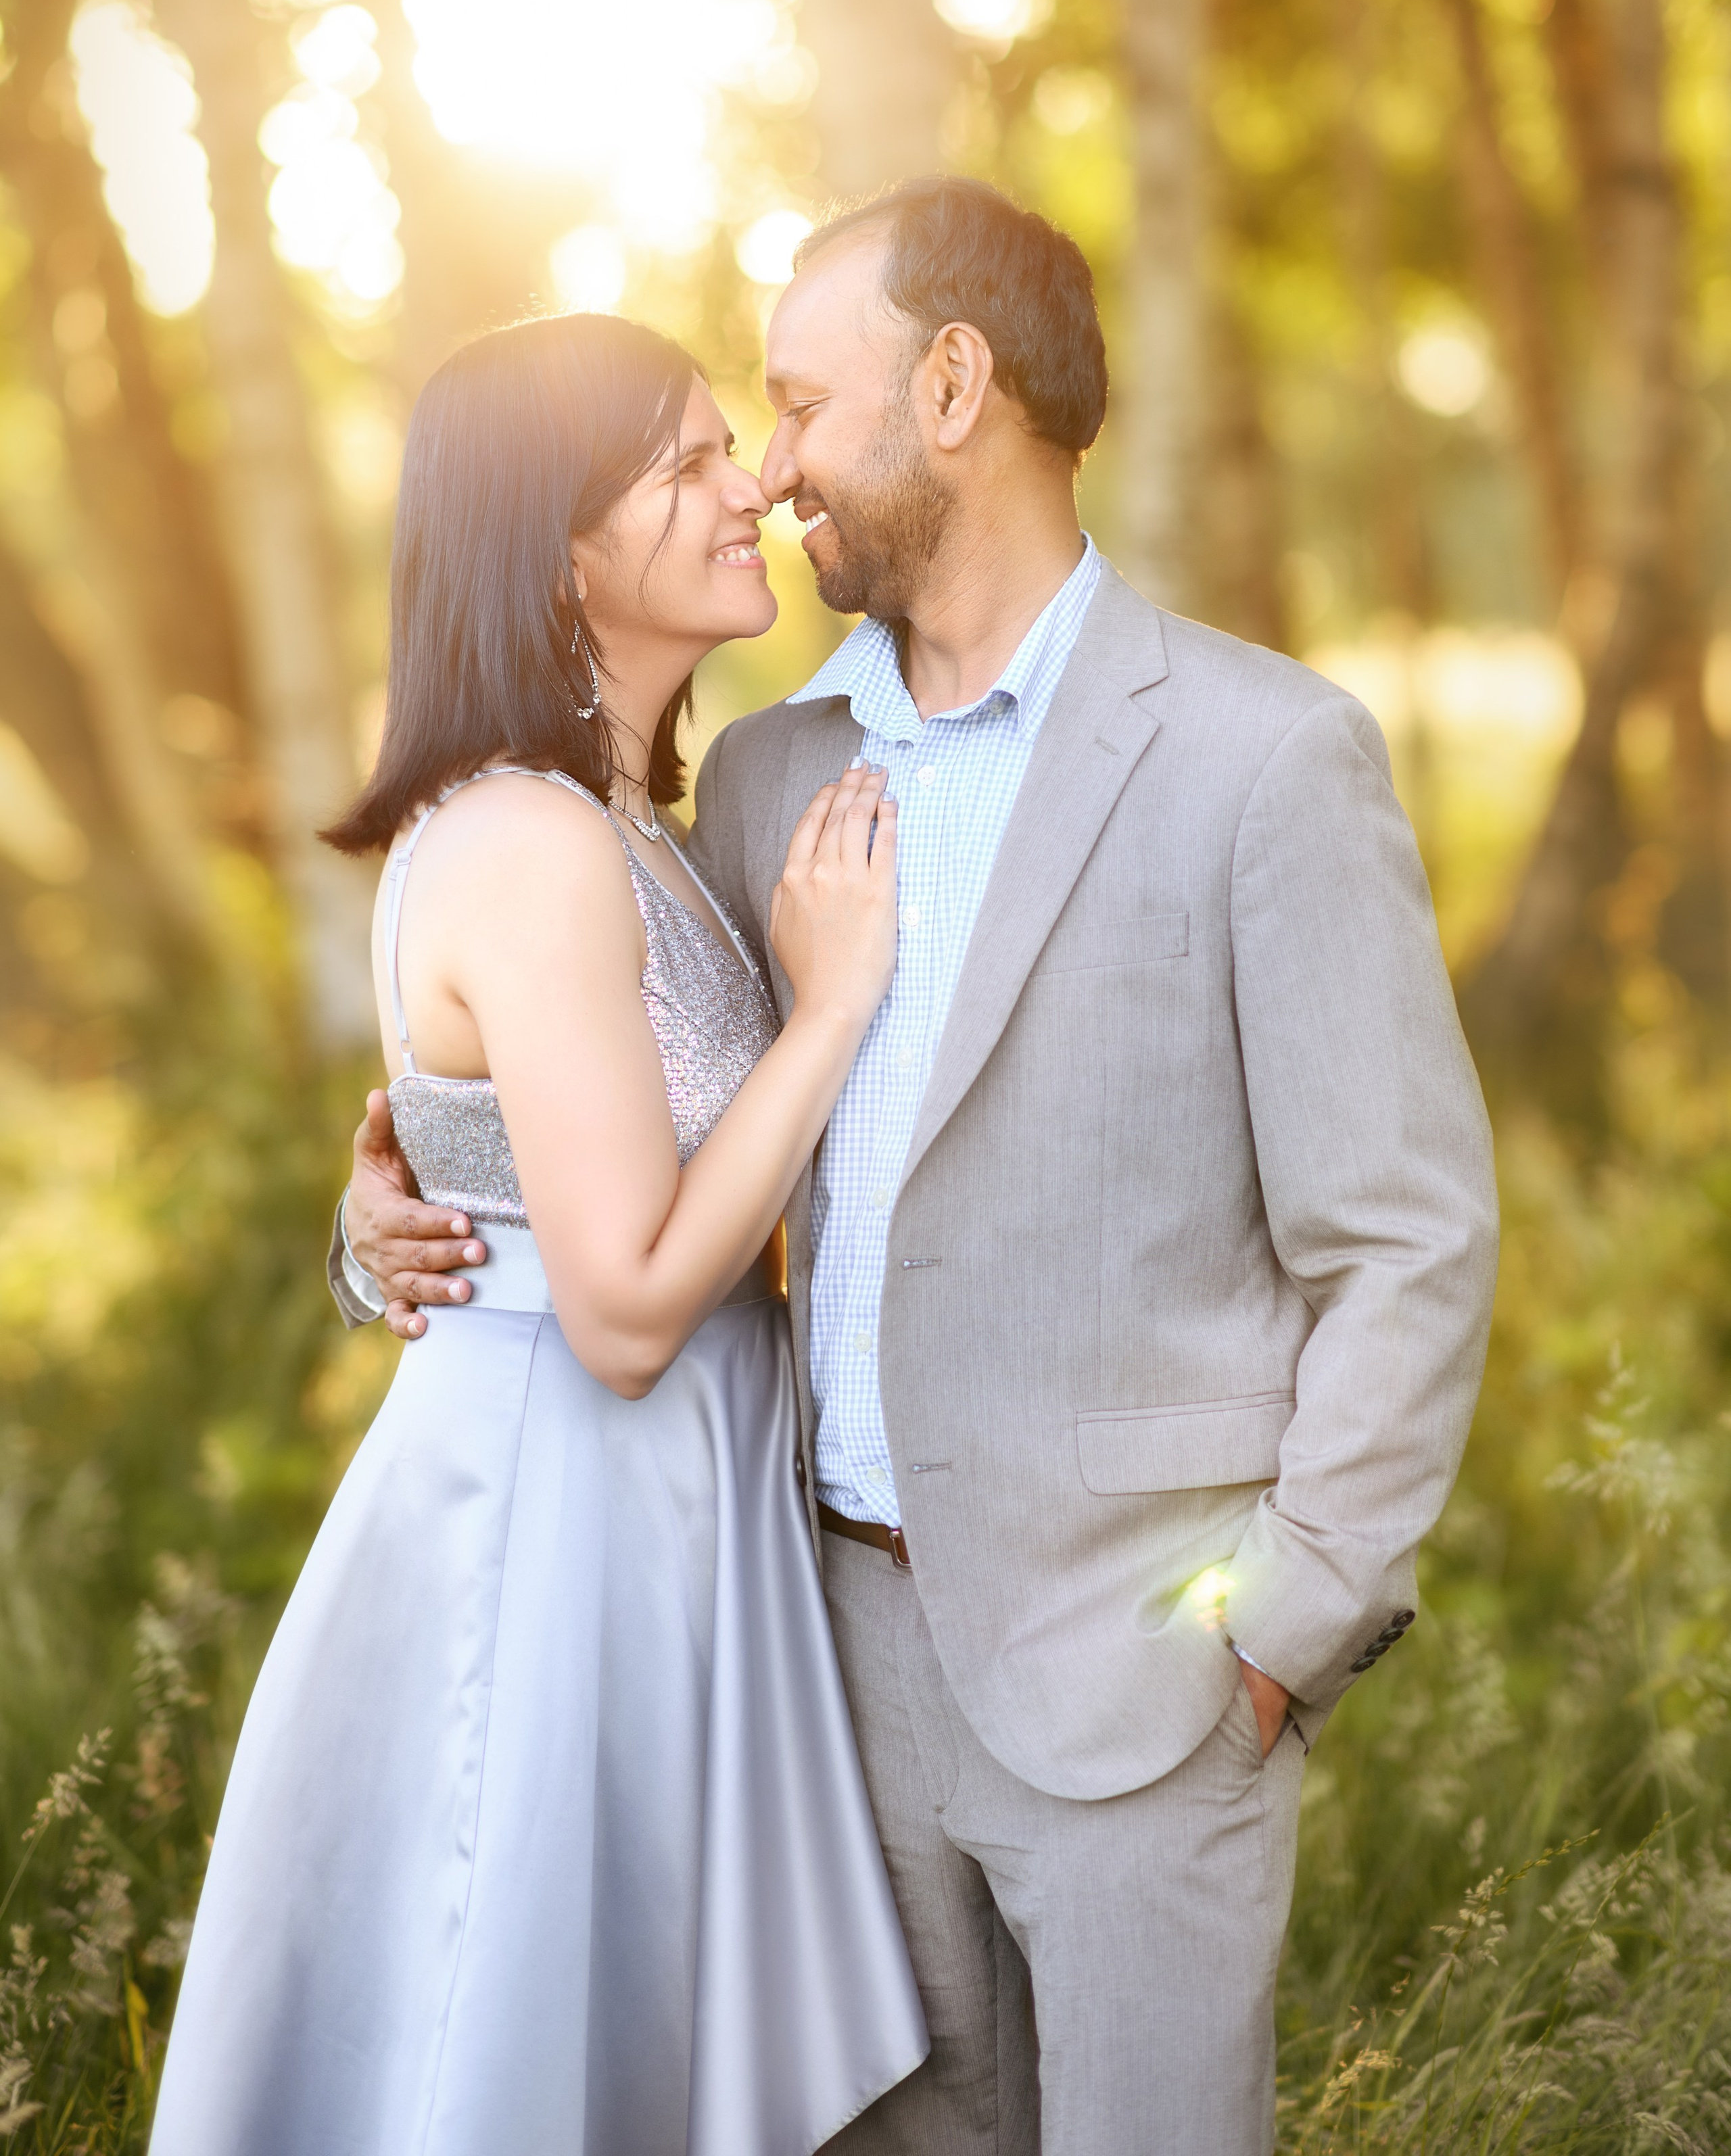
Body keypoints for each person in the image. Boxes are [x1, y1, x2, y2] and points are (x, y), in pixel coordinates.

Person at [341, 180, 1500, 2156]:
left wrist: (1282, 1633)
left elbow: (1406, 1241)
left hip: (1151, 1692)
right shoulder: (771, 777)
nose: (771, 472)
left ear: (953, 386)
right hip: (819, 1676)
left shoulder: (1262, 756)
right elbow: (616, 1101)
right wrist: (389, 1207)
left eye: (795, 406)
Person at [151, 314, 928, 2156]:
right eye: (684, 465)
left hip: (658, 1509)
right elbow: (632, 1310)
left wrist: (390, 1196)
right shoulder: (530, 841)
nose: (749, 485)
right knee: (504, 2048)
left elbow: (514, 1163)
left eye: (730, 445)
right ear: (555, 543)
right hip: (570, 1513)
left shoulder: (621, 826)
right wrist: (829, 1009)